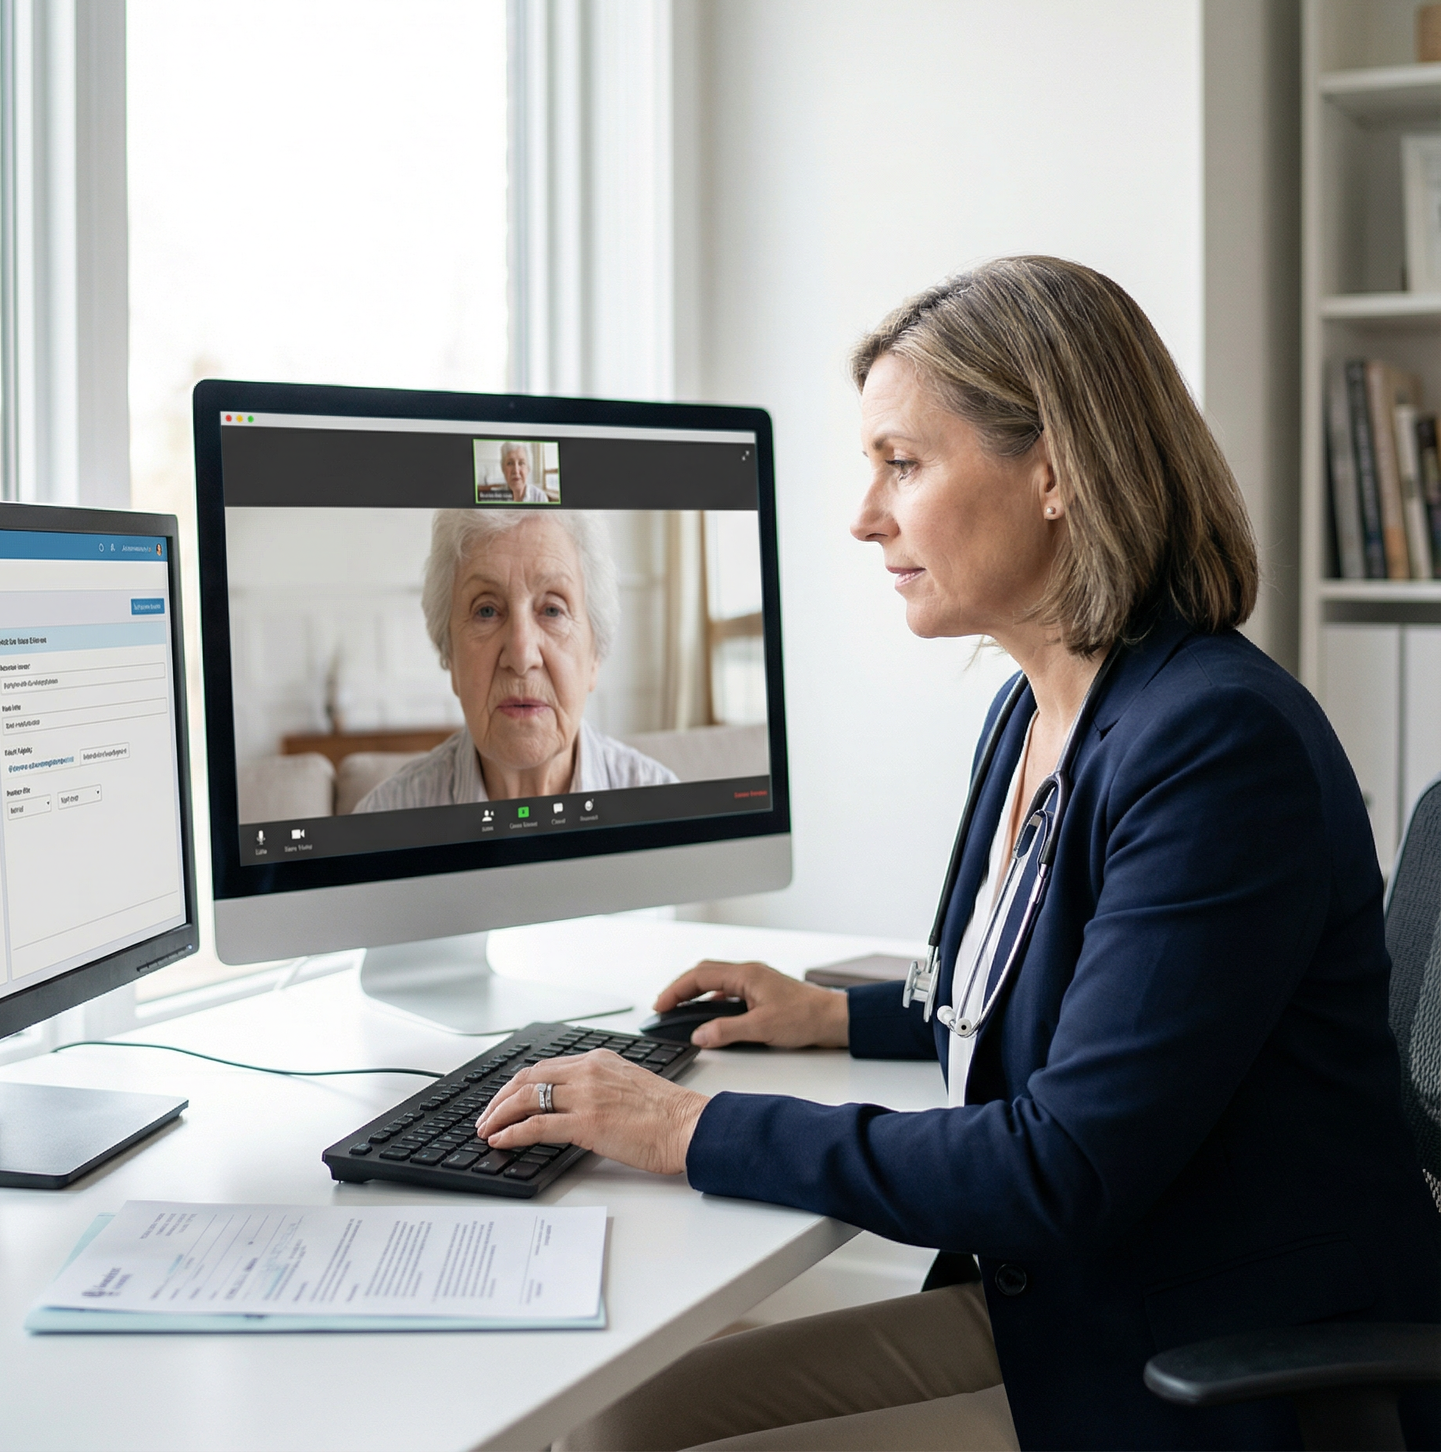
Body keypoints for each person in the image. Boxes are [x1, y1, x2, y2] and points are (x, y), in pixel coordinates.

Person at [473, 257, 1441, 1451]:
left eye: (902, 461)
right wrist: (840, 1015)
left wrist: (682, 1130)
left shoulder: (1214, 748)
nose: (863, 514)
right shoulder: (1034, 708)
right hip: (1079, 1304)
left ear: (1054, 469)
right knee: (613, 1426)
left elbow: (1063, 1162)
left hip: (1207, 1365)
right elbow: (1046, 995)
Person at [355, 508, 675, 811]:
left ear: (595, 656)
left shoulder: (662, 809)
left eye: (552, 610)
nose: (521, 657)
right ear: (450, 655)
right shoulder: (384, 817)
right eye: (486, 611)